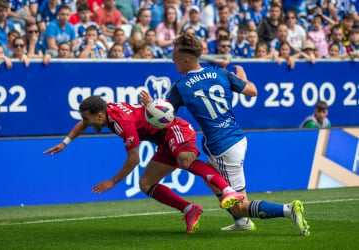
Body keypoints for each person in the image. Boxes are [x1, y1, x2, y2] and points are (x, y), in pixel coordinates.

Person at [139, 34, 310, 236]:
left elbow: (164, 115)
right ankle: (241, 222)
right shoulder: (221, 73)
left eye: (175, 56)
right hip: (236, 137)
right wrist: (243, 79)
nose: (172, 59)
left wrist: (151, 105)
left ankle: (288, 210)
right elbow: (253, 91)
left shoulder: (181, 87)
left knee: (239, 204)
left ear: (186, 60)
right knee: (210, 177)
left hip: (224, 147)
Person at [43, 96, 245, 234]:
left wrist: (114, 181)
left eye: (87, 117)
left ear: (99, 116)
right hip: (163, 140)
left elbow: (134, 159)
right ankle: (189, 209)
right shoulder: (105, 112)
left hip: (174, 129)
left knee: (185, 161)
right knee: (146, 184)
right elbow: (83, 124)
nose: (84, 121)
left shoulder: (123, 123)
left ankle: (228, 190)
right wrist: (65, 142)